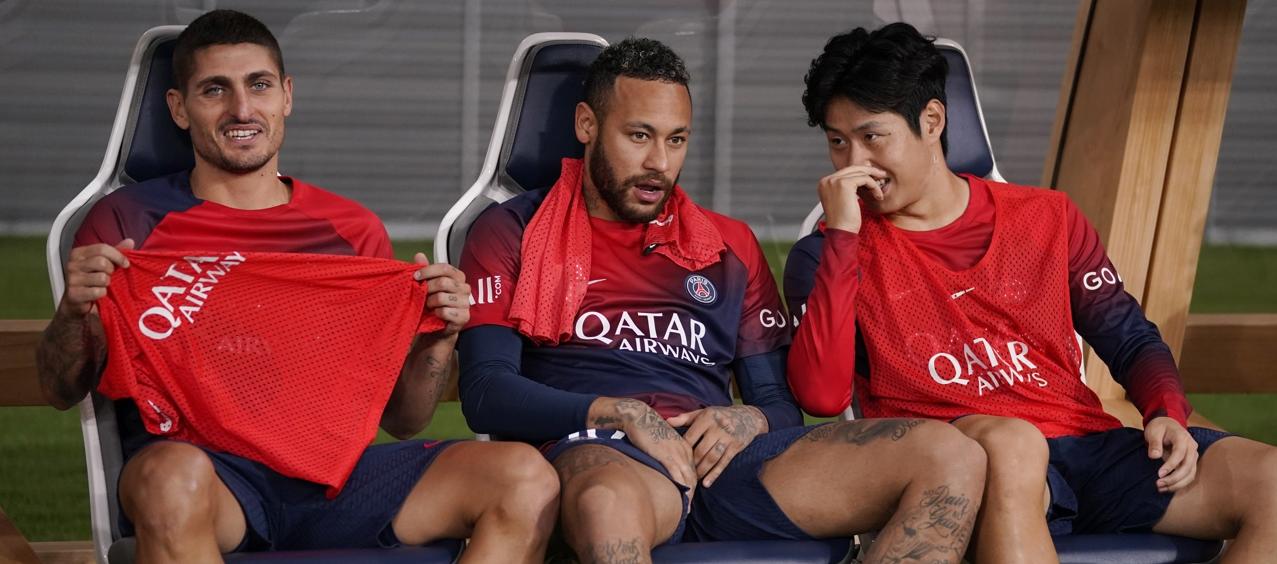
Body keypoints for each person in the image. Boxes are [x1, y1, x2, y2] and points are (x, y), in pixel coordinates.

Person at [36, 10, 557, 563]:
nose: (242, 109)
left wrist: (439, 339)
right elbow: (61, 389)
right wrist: (74, 313)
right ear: (179, 108)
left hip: (337, 482)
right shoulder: (128, 225)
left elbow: (403, 421)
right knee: (169, 477)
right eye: (215, 89)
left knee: (523, 477)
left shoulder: (350, 230)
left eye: (258, 85)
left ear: (286, 95)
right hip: (209, 483)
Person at [457, 36, 986, 564]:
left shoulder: (727, 244)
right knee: (606, 503)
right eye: (639, 136)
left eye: (677, 139)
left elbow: (778, 404)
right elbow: (486, 393)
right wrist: (619, 413)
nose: (659, 162)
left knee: (948, 455)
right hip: (603, 453)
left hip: (720, 465)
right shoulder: (514, 230)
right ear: (586, 125)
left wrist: (749, 420)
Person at [786, 22, 1277, 564]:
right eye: (837, 142)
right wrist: (842, 239)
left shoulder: (1048, 217)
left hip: (1086, 448)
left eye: (872, 137)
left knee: (1271, 482)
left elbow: (1129, 336)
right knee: (1013, 445)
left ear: (931, 121)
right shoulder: (826, 254)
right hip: (963, 465)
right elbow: (822, 397)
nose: (854, 163)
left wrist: (1165, 411)